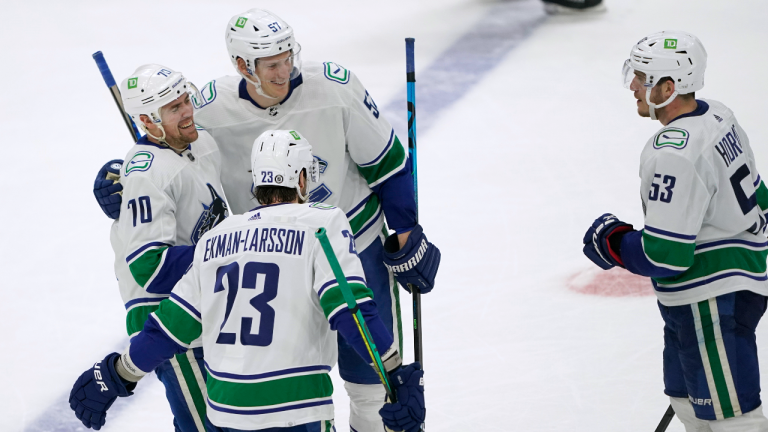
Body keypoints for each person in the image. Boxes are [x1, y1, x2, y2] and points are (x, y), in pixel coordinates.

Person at [92, 9, 440, 431]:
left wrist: (406, 234)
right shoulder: (207, 110)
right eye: (271, 63)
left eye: (287, 56)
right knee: (297, 372)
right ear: (242, 66)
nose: (285, 70)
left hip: (355, 240)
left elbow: (388, 165)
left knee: (372, 387)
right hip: (278, 255)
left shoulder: (335, 86)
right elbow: (165, 153)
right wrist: (121, 181)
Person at [70, 130, 426, 432]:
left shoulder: (215, 239)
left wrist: (117, 373)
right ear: (301, 179)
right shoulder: (323, 223)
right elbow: (351, 312)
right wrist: (393, 372)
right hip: (297, 407)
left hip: (228, 410)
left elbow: (169, 327)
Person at [582, 31, 768, 431]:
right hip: (726, 288)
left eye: (643, 77)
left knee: (734, 419)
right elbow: (761, 196)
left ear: (669, 87)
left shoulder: (674, 152)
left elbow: (664, 255)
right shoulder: (718, 115)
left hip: (713, 299)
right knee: (686, 400)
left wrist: (612, 241)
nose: (633, 85)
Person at [97, 64, 230, 432]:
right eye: (173, 108)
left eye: (185, 100)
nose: (187, 111)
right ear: (146, 120)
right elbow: (149, 267)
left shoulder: (199, 143)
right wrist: (227, 252)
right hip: (171, 323)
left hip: (209, 309)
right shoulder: (145, 174)